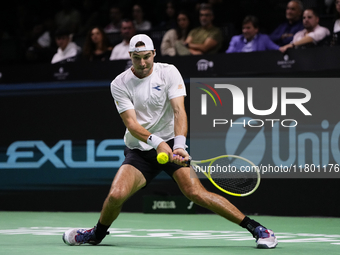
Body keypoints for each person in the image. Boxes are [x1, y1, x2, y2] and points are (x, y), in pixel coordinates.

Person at [62, 34, 278, 249]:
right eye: (137, 58)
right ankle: (96, 234)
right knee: (116, 194)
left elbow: (178, 111)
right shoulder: (119, 83)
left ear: (154, 53)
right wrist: (157, 143)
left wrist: (179, 145)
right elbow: (132, 125)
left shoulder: (169, 72)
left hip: (172, 144)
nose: (143, 63)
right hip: (140, 149)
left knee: (196, 193)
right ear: (130, 56)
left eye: (147, 56)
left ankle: (258, 229)